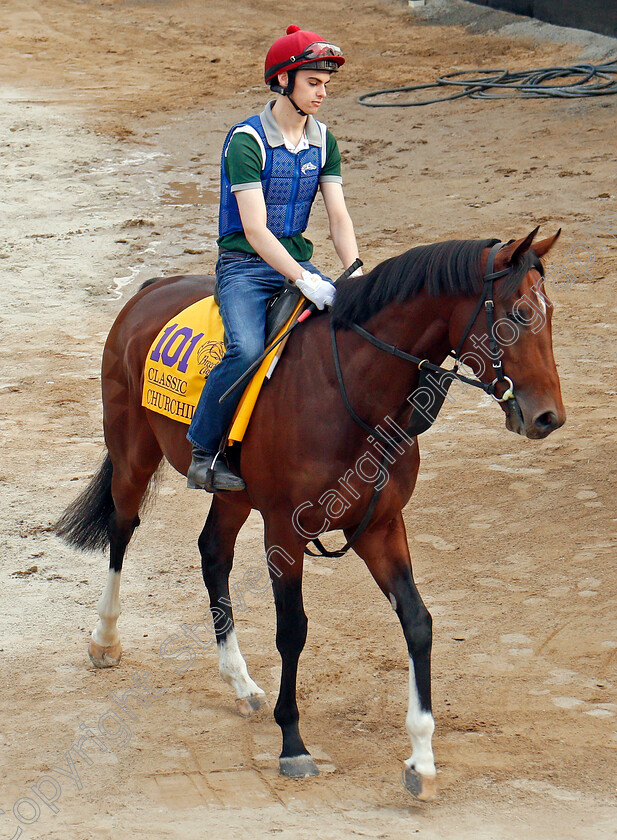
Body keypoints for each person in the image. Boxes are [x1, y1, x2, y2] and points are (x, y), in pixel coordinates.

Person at [187, 24, 362, 492]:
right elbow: (255, 231)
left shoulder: (324, 140)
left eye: (326, 84)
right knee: (245, 349)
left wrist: (356, 270)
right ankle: (204, 452)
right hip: (246, 267)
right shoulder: (245, 141)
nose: (323, 93)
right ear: (283, 80)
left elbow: (338, 218)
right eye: (313, 83)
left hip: (299, 263)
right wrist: (303, 279)